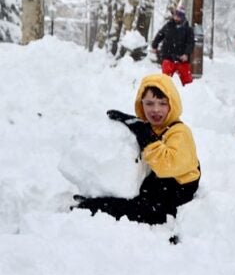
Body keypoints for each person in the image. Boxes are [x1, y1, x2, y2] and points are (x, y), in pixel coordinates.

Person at [76, 73, 201, 230]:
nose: (155, 109)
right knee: (130, 197)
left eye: (162, 103)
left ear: (172, 104)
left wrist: (145, 135)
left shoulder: (180, 132)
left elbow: (166, 165)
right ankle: (98, 200)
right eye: (149, 103)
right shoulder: (153, 127)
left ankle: (95, 208)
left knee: (134, 210)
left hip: (175, 195)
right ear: (140, 104)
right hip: (159, 186)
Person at [150, 7, 194, 86]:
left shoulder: (188, 29)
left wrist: (186, 54)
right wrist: (154, 45)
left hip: (181, 59)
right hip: (168, 56)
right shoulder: (168, 26)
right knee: (165, 80)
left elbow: (190, 43)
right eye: (175, 15)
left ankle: (187, 94)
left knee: (187, 82)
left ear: (183, 17)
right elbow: (160, 35)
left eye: (179, 16)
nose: (176, 18)